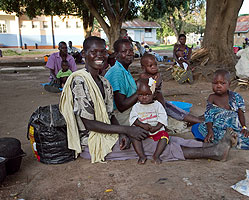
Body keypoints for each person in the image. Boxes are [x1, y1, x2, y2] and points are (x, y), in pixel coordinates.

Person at [60, 36, 233, 164]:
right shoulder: (79, 81)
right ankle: (214, 152)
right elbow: (89, 124)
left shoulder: (103, 82)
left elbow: (110, 113)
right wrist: (127, 130)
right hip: (92, 141)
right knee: (151, 144)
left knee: (163, 136)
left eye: (103, 52)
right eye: (93, 52)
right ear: (84, 54)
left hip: (111, 132)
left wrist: (122, 133)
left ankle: (213, 146)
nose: (100, 56)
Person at [191, 69, 249, 150]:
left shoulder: (236, 97)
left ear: (229, 84)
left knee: (248, 137)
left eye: (222, 83)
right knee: (196, 128)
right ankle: (226, 140)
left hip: (233, 129)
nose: (218, 86)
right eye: (215, 83)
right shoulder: (212, 97)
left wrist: (244, 128)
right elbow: (209, 116)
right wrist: (210, 131)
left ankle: (229, 139)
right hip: (216, 129)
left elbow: (241, 114)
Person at [140, 53, 202, 125]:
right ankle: (197, 120)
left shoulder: (158, 75)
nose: (154, 67)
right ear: (143, 68)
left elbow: (157, 85)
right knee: (176, 113)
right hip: (153, 105)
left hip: (162, 103)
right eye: (150, 66)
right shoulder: (142, 77)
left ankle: (198, 120)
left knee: (179, 112)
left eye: (155, 65)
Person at [130, 78, 169, 164]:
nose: (144, 97)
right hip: (142, 131)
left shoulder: (157, 105)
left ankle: (156, 155)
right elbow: (133, 119)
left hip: (156, 130)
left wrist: (156, 127)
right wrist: (142, 125)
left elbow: (162, 118)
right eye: (141, 95)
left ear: (154, 95)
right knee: (133, 137)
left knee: (164, 136)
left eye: (147, 94)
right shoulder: (136, 107)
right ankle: (141, 156)